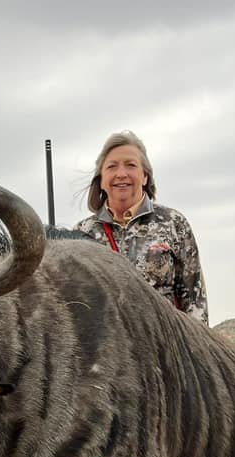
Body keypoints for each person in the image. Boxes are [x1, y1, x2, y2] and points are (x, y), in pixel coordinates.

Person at [72, 131, 209, 325]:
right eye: (112, 166)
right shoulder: (81, 234)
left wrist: (196, 352)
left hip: (165, 350)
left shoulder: (173, 223)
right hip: (107, 351)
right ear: (101, 180)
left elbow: (195, 302)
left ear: (145, 176)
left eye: (131, 165)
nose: (121, 174)